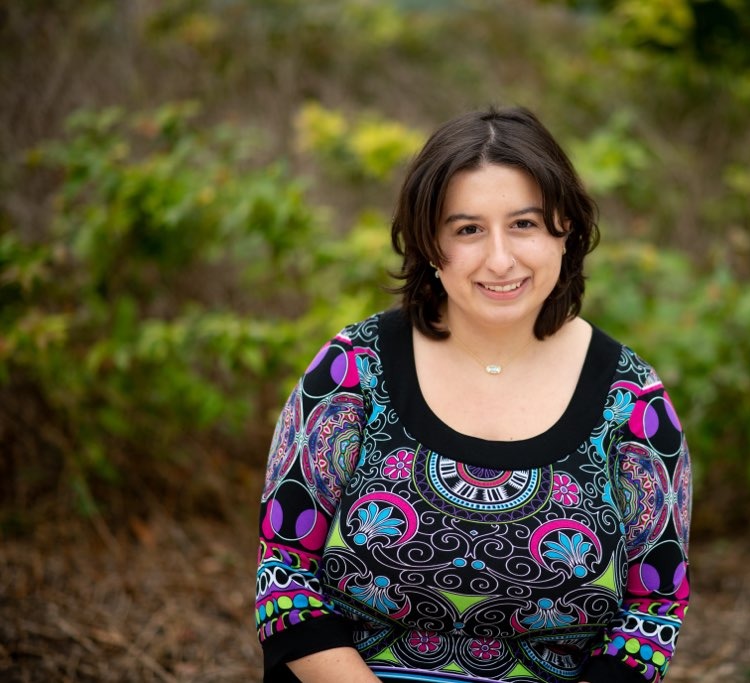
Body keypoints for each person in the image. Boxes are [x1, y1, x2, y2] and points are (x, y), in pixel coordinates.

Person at [255, 106, 692, 683]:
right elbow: (284, 576)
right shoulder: (353, 370)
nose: (500, 259)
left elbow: (653, 610)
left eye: (524, 224)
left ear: (565, 230)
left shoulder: (632, 399)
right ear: (429, 244)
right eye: (468, 230)